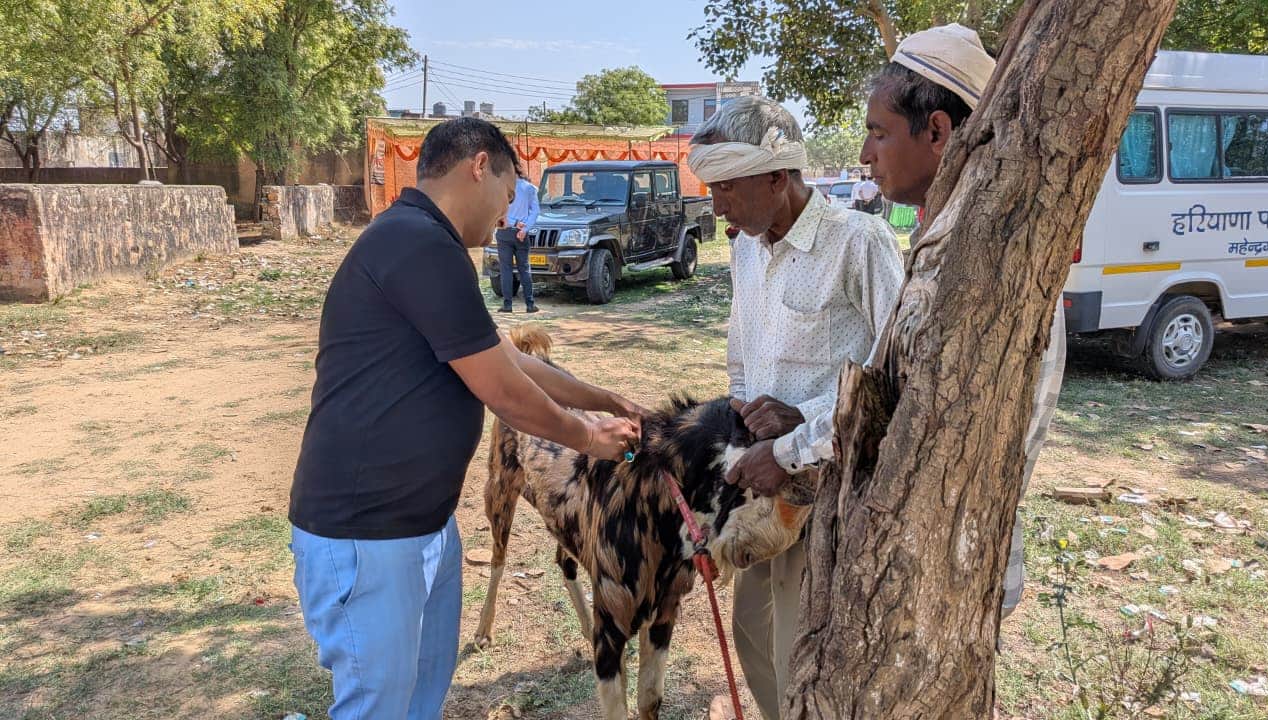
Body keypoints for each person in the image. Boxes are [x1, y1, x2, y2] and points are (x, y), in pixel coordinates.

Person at [287, 117, 644, 720]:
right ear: (480, 166)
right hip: (367, 532)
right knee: (379, 706)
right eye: (509, 193)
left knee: (419, 698)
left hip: (419, 524)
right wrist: (588, 435)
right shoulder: (417, 244)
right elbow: (502, 390)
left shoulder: (427, 244)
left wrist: (607, 400)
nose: (507, 214)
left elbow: (512, 360)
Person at [728, 23, 1066, 631]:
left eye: (878, 132)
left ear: (936, 132)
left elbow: (911, 407)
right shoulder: (946, 240)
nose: (864, 154)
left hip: (941, 560)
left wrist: (787, 448)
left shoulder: (982, 259)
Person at [687, 96, 905, 720]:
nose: (717, 206)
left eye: (726, 187)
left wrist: (800, 424)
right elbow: (742, 351)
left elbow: (896, 373)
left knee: (798, 654)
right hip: (763, 483)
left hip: (831, 488)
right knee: (751, 637)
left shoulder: (858, 242)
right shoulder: (746, 248)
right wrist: (743, 416)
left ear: (777, 177)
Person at [497, 175, 540, 313]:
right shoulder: (530, 188)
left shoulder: (501, 186)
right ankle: (530, 304)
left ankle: (507, 304)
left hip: (504, 232)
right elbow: (535, 211)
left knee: (506, 269)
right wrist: (525, 229)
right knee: (524, 268)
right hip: (521, 234)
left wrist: (513, 222)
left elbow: (498, 212)